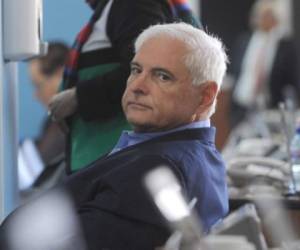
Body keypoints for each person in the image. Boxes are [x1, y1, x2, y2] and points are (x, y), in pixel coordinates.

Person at [0, 23, 228, 250]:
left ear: (206, 96)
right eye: (136, 70)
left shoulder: (154, 171)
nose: (137, 86)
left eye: (162, 76)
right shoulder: (196, 153)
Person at [48, 0, 201, 173]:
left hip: (116, 164)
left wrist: (78, 97)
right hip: (115, 162)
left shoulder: (131, 5)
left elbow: (149, 72)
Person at [229, 0, 300, 128]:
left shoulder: (285, 46)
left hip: (271, 108)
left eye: (267, 16)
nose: (262, 19)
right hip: (242, 107)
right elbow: (236, 70)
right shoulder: (244, 41)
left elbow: (293, 79)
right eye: (259, 15)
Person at [29, 42, 69, 167]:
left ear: (60, 74)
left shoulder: (72, 128)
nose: (35, 95)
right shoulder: (51, 123)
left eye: (38, 85)